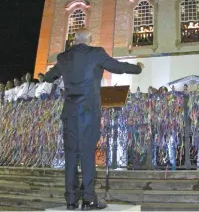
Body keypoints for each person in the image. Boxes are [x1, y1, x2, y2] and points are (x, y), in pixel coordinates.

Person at [43, 28, 143, 210]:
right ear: (89, 39)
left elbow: (49, 77)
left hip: (70, 112)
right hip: (88, 111)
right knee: (87, 153)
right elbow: (118, 68)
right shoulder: (96, 53)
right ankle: (89, 198)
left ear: (74, 40)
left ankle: (71, 199)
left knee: (71, 154)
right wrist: (138, 68)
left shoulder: (63, 57)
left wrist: (53, 75)